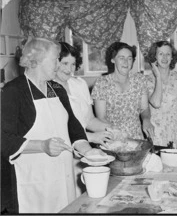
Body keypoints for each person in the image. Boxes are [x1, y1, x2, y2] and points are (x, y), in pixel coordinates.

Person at [1, 38, 105, 213]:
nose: (58, 65)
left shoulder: (56, 88)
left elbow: (74, 127)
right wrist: (42, 145)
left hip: (63, 176)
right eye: (55, 59)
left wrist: (88, 151)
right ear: (36, 61)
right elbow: (4, 139)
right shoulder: (14, 91)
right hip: (34, 180)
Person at [54, 42, 114, 197]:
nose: (70, 69)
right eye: (65, 63)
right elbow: (60, 131)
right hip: (61, 154)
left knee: (85, 197)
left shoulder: (79, 84)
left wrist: (110, 130)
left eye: (73, 64)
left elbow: (89, 120)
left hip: (84, 152)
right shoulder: (47, 89)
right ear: (54, 62)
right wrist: (93, 137)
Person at [91, 42, 154, 140]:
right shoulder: (102, 83)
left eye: (129, 58)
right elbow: (101, 117)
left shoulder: (139, 80)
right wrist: (118, 135)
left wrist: (146, 120)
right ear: (113, 60)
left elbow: (144, 108)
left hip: (136, 138)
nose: (126, 62)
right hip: (113, 138)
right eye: (121, 58)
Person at [145, 41, 177, 148]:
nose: (165, 57)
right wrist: (158, 76)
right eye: (161, 54)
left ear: (172, 57)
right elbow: (156, 102)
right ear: (155, 57)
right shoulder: (147, 80)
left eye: (168, 54)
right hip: (155, 133)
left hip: (176, 133)